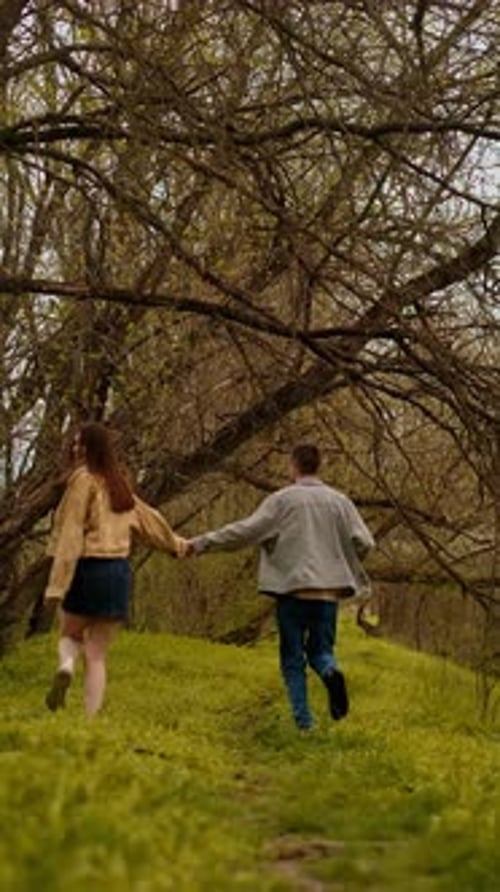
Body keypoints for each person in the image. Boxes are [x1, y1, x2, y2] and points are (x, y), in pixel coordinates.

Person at [185, 444, 374, 730]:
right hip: (327, 594)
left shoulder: (282, 501)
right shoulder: (340, 502)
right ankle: (331, 672)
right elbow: (365, 542)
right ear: (318, 466)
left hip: (293, 591)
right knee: (321, 651)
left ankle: (304, 723)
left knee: (292, 659)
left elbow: (245, 531)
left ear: (293, 466)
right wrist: (339, 562)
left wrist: (201, 543)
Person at [44, 422, 186, 717]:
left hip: (87, 568)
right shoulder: (119, 482)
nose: (75, 449)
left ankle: (66, 667)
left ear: (90, 449)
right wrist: (176, 544)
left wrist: (57, 584)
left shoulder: (83, 480)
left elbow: (71, 533)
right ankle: (90, 720)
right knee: (97, 655)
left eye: (80, 444)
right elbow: (150, 520)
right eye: (75, 443)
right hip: (117, 573)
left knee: (70, 635)